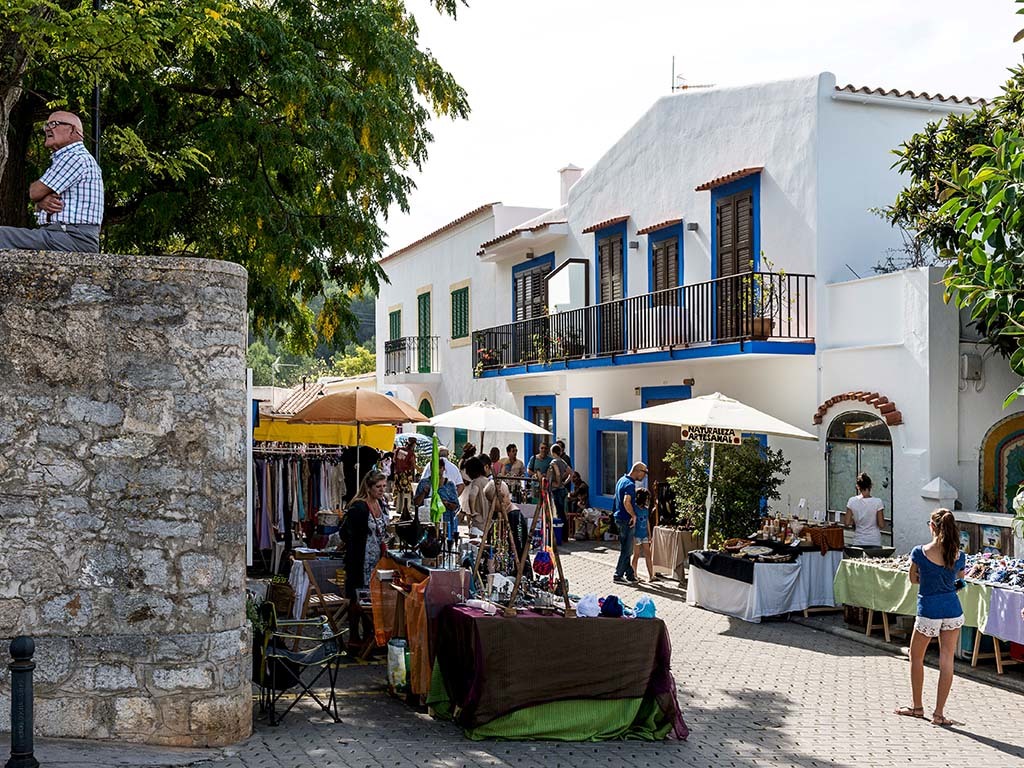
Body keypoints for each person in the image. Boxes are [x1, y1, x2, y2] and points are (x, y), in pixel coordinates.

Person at [895, 509, 966, 726]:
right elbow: (961, 583)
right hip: (952, 609)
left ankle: (917, 707)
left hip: (928, 609)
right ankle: (939, 713)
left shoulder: (920, 552)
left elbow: (913, 579)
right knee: (947, 660)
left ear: (932, 527)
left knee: (916, 656)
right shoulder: (959, 555)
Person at [0, 111, 103, 253]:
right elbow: (42, 196)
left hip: (73, 238)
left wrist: (39, 198)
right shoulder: (67, 158)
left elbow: (35, 191)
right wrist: (40, 204)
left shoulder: (74, 157)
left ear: (73, 130)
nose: (47, 128)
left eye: (55, 124)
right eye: (47, 125)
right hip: (62, 236)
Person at [340, 471, 389, 646]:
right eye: (378, 487)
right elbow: (345, 532)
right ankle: (354, 636)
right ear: (368, 488)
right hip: (359, 560)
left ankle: (370, 633)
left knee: (372, 597)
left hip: (377, 559)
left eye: (384, 486)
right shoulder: (359, 507)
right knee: (357, 597)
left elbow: (384, 530)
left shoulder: (382, 504)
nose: (382, 490)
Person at [613, 462, 647, 584]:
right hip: (626, 519)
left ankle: (630, 574)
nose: (645, 476)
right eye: (644, 472)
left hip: (619, 517)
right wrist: (633, 515)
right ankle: (618, 575)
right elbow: (626, 501)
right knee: (627, 550)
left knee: (626, 547)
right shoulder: (630, 484)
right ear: (638, 471)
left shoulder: (621, 480)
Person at [413, 473, 460, 541]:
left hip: (445, 526)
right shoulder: (424, 483)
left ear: (443, 469)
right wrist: (424, 492)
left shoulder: (449, 485)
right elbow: (416, 503)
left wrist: (446, 503)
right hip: (426, 525)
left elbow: (456, 506)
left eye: (440, 467)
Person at [844, 473, 886, 548]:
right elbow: (881, 524)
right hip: (874, 541)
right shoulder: (878, 502)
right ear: (870, 486)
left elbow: (847, 522)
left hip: (858, 540)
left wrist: (854, 521)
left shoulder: (852, 501)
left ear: (858, 487)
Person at [631, 488, 655, 582]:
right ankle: (634, 574)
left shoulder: (646, 510)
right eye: (646, 498)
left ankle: (651, 575)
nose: (647, 500)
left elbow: (647, 522)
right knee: (636, 555)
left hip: (644, 535)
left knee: (648, 555)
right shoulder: (635, 509)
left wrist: (649, 534)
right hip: (636, 535)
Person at [462, 456, 490, 535]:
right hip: (487, 524)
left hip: (478, 524)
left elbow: (472, 495)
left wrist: (473, 512)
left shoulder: (476, 482)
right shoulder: (488, 481)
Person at [547, 444, 570, 523]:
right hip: (563, 489)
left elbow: (557, 474)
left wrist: (557, 483)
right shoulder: (563, 461)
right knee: (563, 512)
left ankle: (560, 532)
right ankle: (564, 531)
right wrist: (565, 482)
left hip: (556, 490)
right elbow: (571, 473)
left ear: (552, 452)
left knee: (559, 513)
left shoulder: (553, 462)